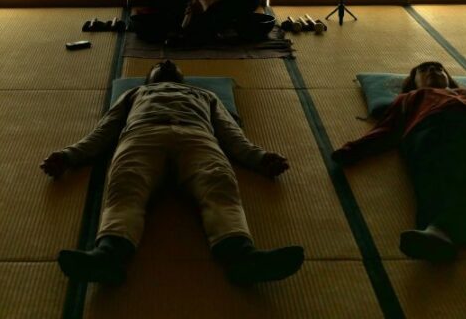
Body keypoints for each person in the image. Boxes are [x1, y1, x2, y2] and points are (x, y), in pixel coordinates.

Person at [41, 59, 304, 285]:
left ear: (182, 78)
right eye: (159, 64)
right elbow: (104, 130)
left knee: (219, 183)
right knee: (125, 186)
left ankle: (242, 257)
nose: (166, 63)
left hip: (198, 137)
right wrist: (69, 155)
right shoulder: (135, 93)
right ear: (150, 77)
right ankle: (108, 256)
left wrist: (259, 158)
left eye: (171, 65)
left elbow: (230, 132)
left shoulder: (205, 95)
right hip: (141, 135)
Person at [332, 61, 466, 262]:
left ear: (448, 79)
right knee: (436, 175)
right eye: (424, 69)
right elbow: (385, 130)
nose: (433, 70)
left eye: (438, 68)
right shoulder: (408, 99)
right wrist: (353, 150)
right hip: (431, 131)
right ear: (413, 81)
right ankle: (442, 229)